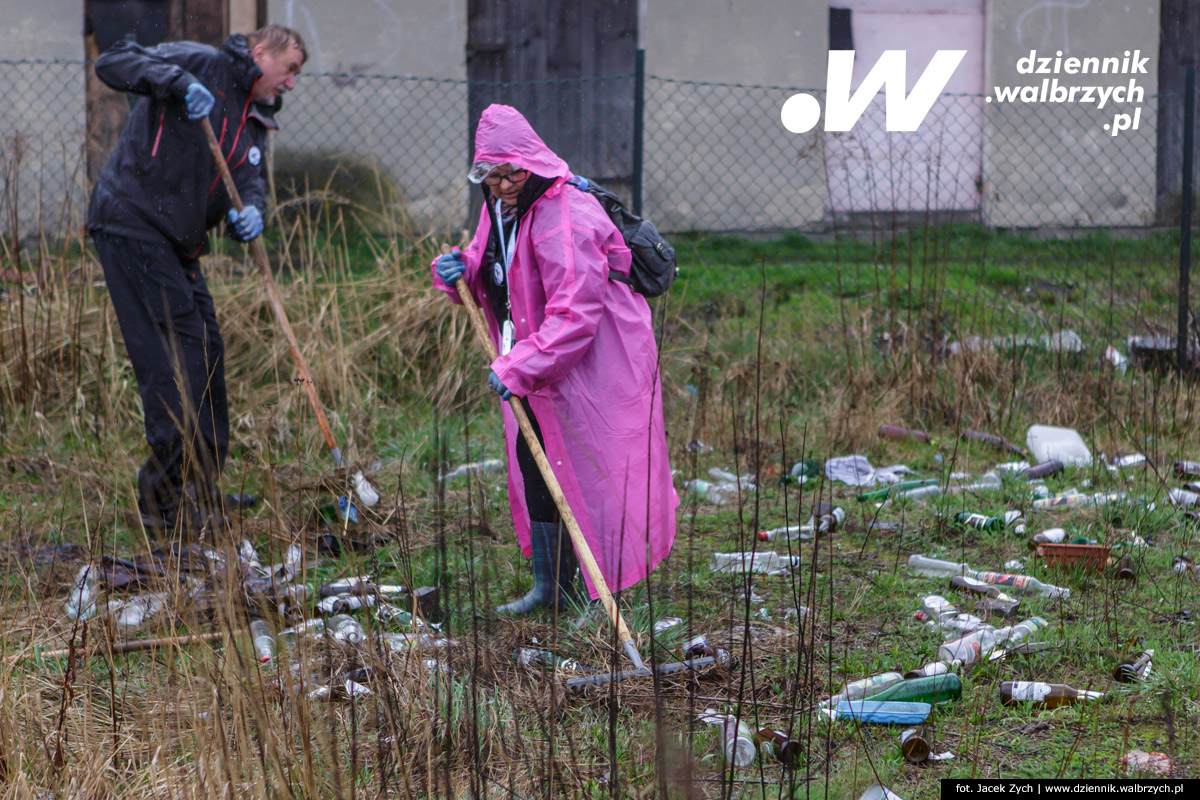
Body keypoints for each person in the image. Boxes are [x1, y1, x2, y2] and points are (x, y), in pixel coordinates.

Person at [432, 104, 678, 615]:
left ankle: (602, 588)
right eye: (492, 175)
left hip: (597, 361)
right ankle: (552, 588)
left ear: (532, 163)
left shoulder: (566, 217)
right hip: (538, 358)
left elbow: (575, 314)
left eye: (510, 174)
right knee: (535, 461)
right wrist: (458, 270)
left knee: (598, 467)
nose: (501, 185)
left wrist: (520, 366)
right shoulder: (502, 206)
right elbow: (494, 265)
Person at [87, 25, 306, 537]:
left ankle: (203, 486)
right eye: (290, 68)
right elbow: (113, 62)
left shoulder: (252, 123)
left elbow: (248, 182)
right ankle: (161, 500)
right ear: (259, 53)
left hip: (178, 247)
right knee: (174, 361)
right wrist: (174, 82)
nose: (293, 82)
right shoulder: (200, 63)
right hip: (131, 223)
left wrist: (249, 212)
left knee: (206, 350)